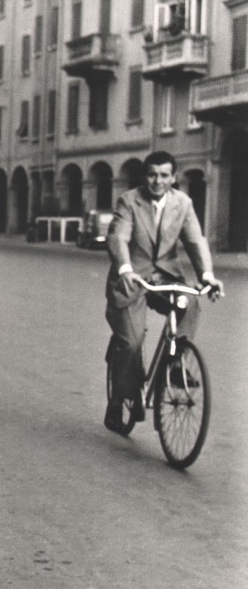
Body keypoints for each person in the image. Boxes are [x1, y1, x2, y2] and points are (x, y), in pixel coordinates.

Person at [104, 150, 223, 433]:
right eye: (152, 175)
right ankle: (118, 400)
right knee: (131, 344)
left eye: (164, 175)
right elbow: (118, 236)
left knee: (190, 302)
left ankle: (175, 365)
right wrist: (125, 269)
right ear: (145, 177)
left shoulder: (183, 203)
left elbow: (195, 241)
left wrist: (207, 276)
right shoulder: (129, 201)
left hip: (165, 277)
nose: (158, 181)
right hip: (132, 280)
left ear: (173, 178)